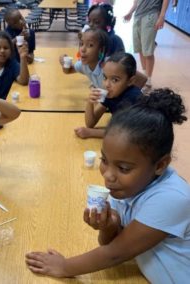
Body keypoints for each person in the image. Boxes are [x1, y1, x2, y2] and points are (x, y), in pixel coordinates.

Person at [26, 88, 190, 283]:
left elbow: (116, 254)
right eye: (104, 160)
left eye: (123, 168)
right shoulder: (127, 187)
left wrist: (65, 266)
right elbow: (110, 242)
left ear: (160, 165)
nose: (108, 176)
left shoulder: (172, 199)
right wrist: (108, 226)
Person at [74, 52, 142, 139]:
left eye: (115, 80)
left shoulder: (133, 97)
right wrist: (90, 103)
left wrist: (90, 132)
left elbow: (123, 132)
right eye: (105, 77)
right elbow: (90, 123)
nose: (107, 84)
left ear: (130, 81)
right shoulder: (111, 94)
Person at [86, 2, 147, 89]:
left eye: (96, 22)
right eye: (89, 21)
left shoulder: (114, 40)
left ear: (107, 24)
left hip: (118, 83)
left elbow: (122, 69)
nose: (91, 25)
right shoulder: (95, 40)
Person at [124, 0, 169, 93]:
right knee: (140, 49)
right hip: (137, 16)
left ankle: (148, 81)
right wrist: (130, 12)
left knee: (148, 52)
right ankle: (145, 77)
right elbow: (136, 3)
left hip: (150, 15)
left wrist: (161, 16)